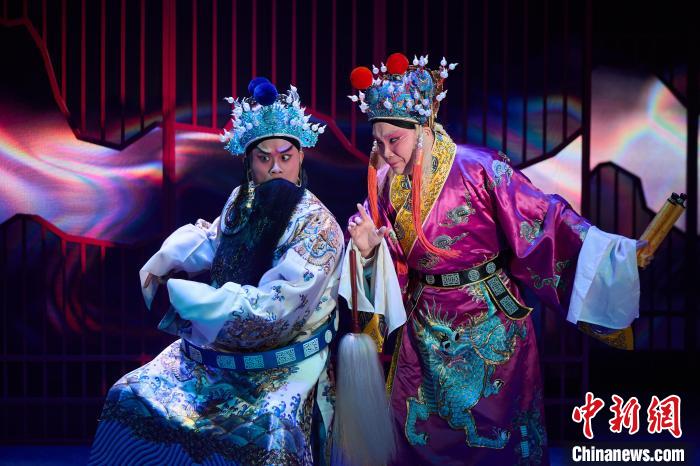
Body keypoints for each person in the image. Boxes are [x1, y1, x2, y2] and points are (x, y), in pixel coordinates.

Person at [341, 53, 646, 465]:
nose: (385, 152)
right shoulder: (384, 182)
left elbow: (543, 219)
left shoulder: (481, 168)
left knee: (498, 438)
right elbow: (392, 257)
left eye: (394, 140)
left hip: (489, 321)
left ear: (424, 130)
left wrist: (614, 253)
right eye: (377, 142)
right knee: (415, 435)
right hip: (424, 327)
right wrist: (368, 250)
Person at [89, 78, 344, 466]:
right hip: (215, 354)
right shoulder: (242, 199)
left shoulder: (318, 226)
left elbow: (278, 311)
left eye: (286, 156)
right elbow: (219, 239)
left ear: (301, 157)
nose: (276, 167)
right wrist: (175, 254)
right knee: (129, 394)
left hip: (282, 358)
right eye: (263, 158)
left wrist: (205, 303)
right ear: (248, 163)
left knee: (269, 432)